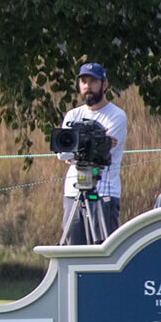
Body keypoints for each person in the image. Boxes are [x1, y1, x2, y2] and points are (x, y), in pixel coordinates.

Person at [59, 62, 127, 245]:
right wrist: (89, 147)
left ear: (104, 84)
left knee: (103, 249)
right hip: (73, 191)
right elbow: (62, 153)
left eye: (93, 81)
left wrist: (78, 152)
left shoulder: (116, 115)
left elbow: (103, 151)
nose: (87, 86)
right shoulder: (72, 115)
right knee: (72, 248)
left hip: (104, 191)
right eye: (83, 81)